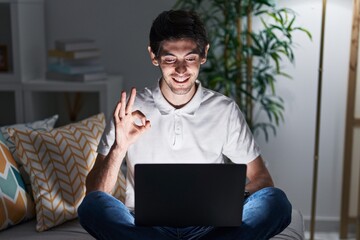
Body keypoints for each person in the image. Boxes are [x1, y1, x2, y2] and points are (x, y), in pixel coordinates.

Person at [78, 9, 292, 240]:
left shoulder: (224, 110)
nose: (181, 70)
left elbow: (263, 179)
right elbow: (95, 193)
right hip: (147, 227)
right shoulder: (131, 109)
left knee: (276, 202)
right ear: (154, 56)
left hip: (210, 227)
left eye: (190, 58)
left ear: (204, 54)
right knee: (91, 207)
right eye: (170, 59)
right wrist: (119, 148)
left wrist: (225, 198)